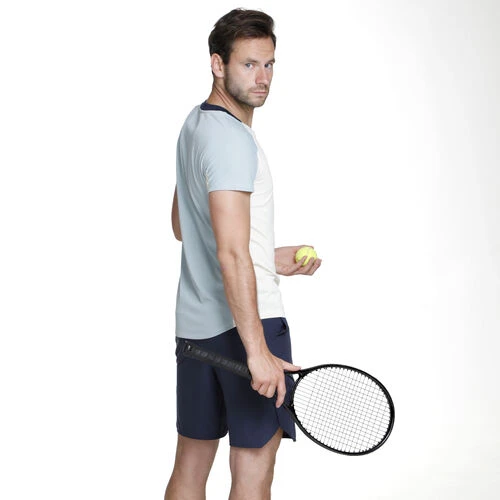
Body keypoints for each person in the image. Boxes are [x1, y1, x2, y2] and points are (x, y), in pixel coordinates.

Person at [165, 8, 321, 500]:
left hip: (196, 333)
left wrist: (265, 257)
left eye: (269, 64)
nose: (262, 78)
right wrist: (258, 352)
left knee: (190, 467)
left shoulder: (195, 125)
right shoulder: (234, 141)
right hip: (247, 328)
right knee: (253, 471)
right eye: (249, 64)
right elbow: (230, 254)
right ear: (218, 64)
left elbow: (185, 226)